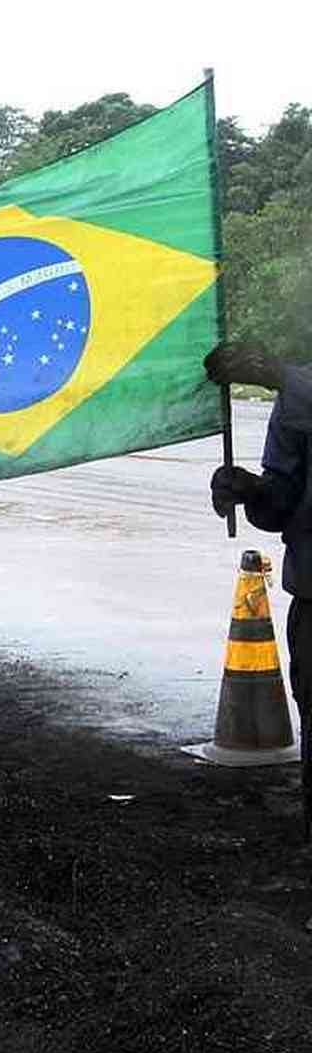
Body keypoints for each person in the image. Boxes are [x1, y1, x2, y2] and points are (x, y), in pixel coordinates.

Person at [208, 341, 312, 831]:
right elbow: (279, 504)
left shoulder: (298, 389)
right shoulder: (297, 395)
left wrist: (283, 377)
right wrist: (251, 489)